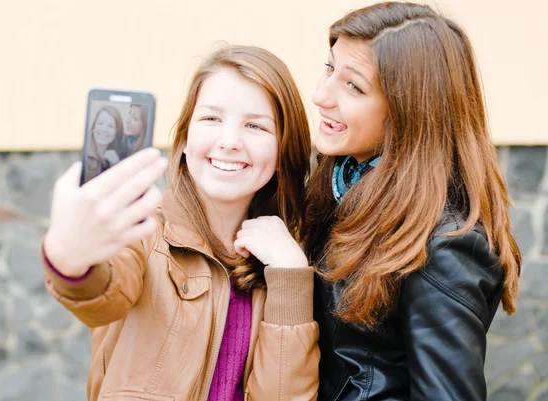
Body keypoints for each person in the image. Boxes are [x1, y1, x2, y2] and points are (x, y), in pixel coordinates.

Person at [41, 45, 319, 401]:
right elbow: (99, 295)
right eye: (211, 119)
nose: (230, 141)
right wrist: (69, 256)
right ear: (185, 140)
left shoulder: (285, 258)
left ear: (282, 152)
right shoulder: (142, 230)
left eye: (254, 125)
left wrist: (291, 275)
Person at [302, 3, 522, 400]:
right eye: (329, 67)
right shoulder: (341, 187)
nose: (321, 95)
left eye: (353, 86)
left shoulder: (444, 245)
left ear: (409, 112)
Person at [85, 105, 124, 181]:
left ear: (116, 133)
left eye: (110, 126)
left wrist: (116, 165)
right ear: (93, 127)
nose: (104, 129)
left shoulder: (114, 157)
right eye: (100, 123)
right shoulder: (85, 157)